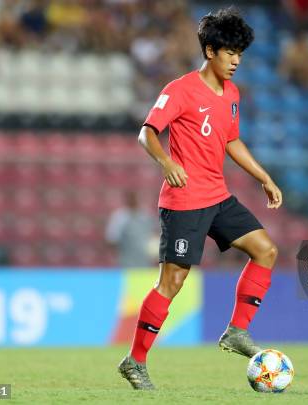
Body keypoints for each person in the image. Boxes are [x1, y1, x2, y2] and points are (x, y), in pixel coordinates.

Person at [118, 7, 283, 390]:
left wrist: (264, 177)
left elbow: (231, 141)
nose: (236, 61)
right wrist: (166, 162)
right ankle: (135, 361)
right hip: (184, 200)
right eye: (230, 53)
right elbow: (147, 133)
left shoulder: (232, 93)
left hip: (218, 196)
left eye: (240, 54)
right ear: (210, 51)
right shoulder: (180, 90)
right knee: (172, 282)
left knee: (266, 250)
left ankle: (236, 331)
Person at [105, 191, 157, 268]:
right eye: (130, 198)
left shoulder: (146, 215)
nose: (133, 200)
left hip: (145, 262)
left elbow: (154, 235)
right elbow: (111, 239)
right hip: (126, 262)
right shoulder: (119, 217)